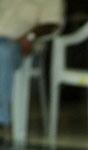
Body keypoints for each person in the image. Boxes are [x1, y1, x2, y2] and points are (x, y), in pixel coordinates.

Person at [0, 0, 63, 141]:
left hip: (17, 44)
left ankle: (0, 120)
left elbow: (52, 23)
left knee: (2, 53)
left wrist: (30, 36)